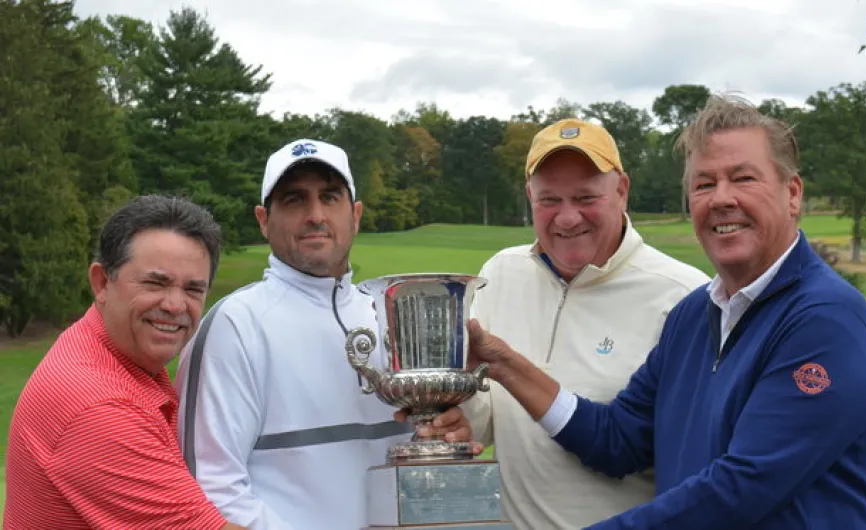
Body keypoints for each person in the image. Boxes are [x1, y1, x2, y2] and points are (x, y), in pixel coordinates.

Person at [465, 94, 866, 529]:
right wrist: (506, 365)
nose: (722, 199)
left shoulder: (824, 319)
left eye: (743, 178)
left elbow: (737, 492)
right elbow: (616, 440)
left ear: (792, 194)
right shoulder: (693, 315)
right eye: (704, 184)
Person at [175, 138, 478, 530]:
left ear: (355, 215)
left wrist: (444, 440)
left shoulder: (389, 316)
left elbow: (425, 460)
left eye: (330, 197)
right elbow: (210, 492)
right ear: (263, 220)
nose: (315, 215)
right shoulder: (235, 324)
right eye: (294, 199)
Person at [459, 117, 710, 529]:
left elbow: (690, 463)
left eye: (585, 197)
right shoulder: (500, 273)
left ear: (622, 191)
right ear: (529, 197)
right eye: (549, 200)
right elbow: (483, 424)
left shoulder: (682, 295)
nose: (568, 217)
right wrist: (459, 417)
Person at [4, 195, 246, 529]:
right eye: (155, 282)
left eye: (193, 290)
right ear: (102, 283)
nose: (176, 305)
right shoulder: (100, 410)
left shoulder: (101, 350)